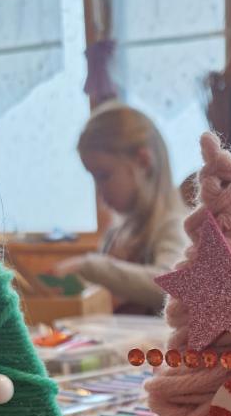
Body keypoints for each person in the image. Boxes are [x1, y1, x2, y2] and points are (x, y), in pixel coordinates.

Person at [56, 103, 186, 314]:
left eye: (104, 176)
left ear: (143, 161)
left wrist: (90, 267)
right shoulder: (116, 234)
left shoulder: (173, 225)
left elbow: (172, 284)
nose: (99, 192)